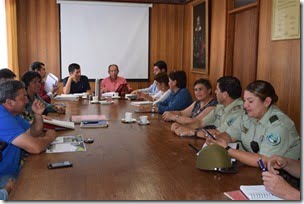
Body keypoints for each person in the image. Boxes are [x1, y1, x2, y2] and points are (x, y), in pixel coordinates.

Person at [207, 80, 300, 167]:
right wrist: (217, 140)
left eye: (250, 101)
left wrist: (228, 149)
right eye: (245, 100)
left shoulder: (279, 125)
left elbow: (264, 161)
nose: (245, 105)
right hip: (253, 168)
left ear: (267, 102)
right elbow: (230, 135)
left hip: (284, 176)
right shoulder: (248, 115)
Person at [0, 80, 57, 188]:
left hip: (13, 169)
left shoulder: (13, 114)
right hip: (3, 176)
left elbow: (33, 133)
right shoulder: (2, 118)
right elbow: (35, 147)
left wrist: (38, 115)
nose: (27, 101)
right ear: (9, 102)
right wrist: (49, 137)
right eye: (23, 98)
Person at [172, 76, 243, 136]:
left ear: (225, 94)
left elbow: (219, 134)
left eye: (217, 90)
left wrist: (192, 132)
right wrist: (180, 127)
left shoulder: (238, 112)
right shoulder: (220, 106)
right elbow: (200, 123)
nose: (215, 92)